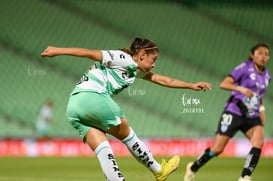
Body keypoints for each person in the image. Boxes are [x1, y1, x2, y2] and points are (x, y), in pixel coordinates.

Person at [41, 37, 212, 181]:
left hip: (74, 107)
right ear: (143, 54)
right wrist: (57, 50)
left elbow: (162, 80)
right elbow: (90, 53)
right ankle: (159, 170)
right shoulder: (123, 58)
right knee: (127, 134)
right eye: (153, 60)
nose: (153, 65)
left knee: (104, 151)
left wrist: (190, 85)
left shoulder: (133, 69)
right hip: (92, 96)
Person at [183, 43, 271, 181]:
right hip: (234, 111)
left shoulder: (267, 76)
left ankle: (245, 176)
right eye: (259, 53)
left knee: (258, 142)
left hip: (252, 115)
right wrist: (242, 89)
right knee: (217, 149)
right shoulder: (245, 68)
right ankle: (193, 168)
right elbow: (224, 84)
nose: (263, 56)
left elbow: (259, 97)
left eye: (266, 54)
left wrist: (262, 110)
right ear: (252, 56)